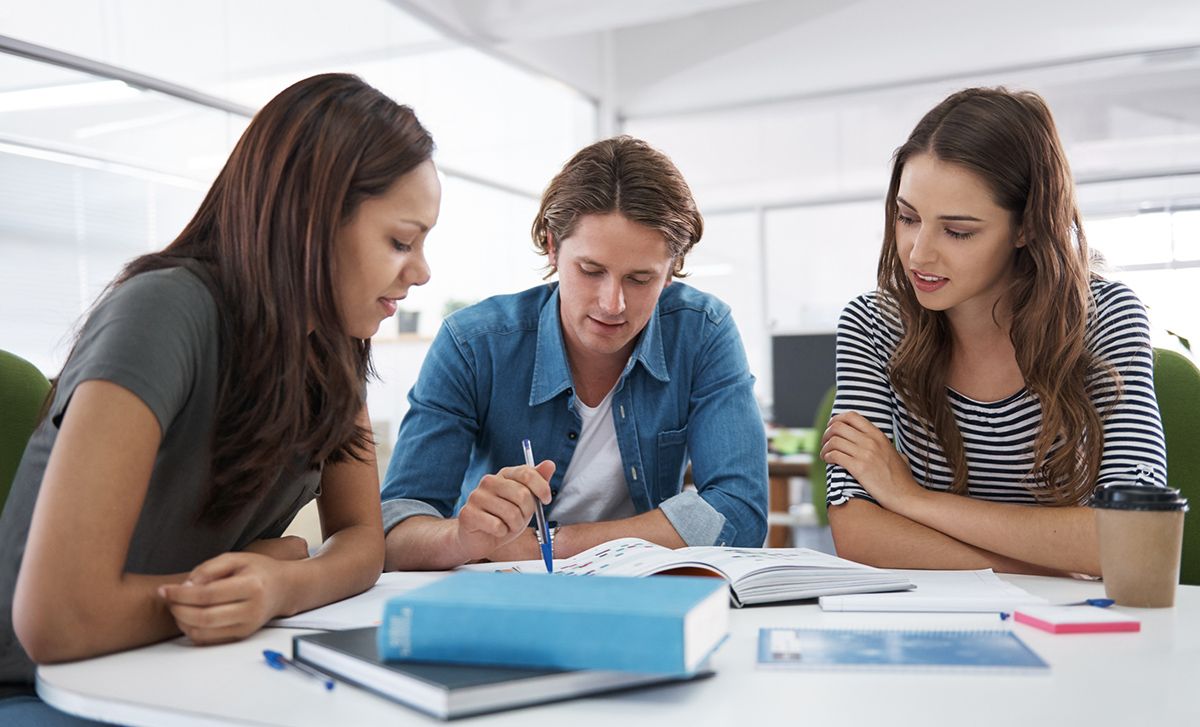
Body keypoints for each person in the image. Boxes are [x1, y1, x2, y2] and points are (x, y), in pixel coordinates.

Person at [0, 73, 440, 721]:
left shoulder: (333, 342)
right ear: (310, 223)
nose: (422, 270)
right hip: (41, 684)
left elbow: (362, 539)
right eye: (400, 241)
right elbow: (57, 618)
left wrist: (283, 580)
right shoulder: (162, 312)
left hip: (170, 666)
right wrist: (240, 580)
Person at [821, 87, 1167, 577]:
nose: (919, 253)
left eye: (958, 231)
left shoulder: (1105, 317)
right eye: (907, 217)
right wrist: (1052, 566)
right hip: (931, 620)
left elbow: (1134, 533)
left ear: (1027, 226)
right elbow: (858, 532)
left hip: (1073, 630)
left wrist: (912, 500)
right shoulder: (874, 325)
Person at [381, 136, 767, 570]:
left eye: (640, 279)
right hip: (504, 593)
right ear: (552, 245)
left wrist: (544, 544)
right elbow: (396, 528)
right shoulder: (473, 344)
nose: (612, 303)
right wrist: (463, 538)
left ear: (672, 271)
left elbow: (740, 513)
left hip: (647, 591)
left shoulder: (703, 332)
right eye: (590, 270)